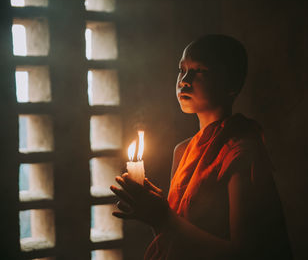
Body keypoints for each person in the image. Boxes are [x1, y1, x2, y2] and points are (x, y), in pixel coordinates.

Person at [110, 34, 293, 259]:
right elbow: (172, 236)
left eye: (200, 71)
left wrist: (163, 216)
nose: (184, 80)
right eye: (181, 70)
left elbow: (244, 253)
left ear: (231, 85)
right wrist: (152, 213)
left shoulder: (241, 153)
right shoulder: (183, 151)